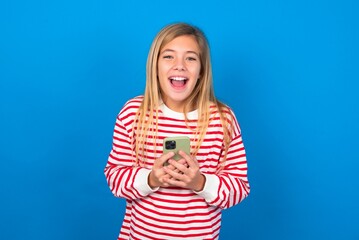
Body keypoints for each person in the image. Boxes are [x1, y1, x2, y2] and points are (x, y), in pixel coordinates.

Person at [104, 22, 250, 240]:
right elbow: (115, 178)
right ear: (155, 65)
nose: (179, 65)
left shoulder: (223, 120)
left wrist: (199, 182)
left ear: (201, 71)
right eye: (169, 56)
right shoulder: (133, 113)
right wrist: (152, 179)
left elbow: (238, 187)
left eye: (190, 58)